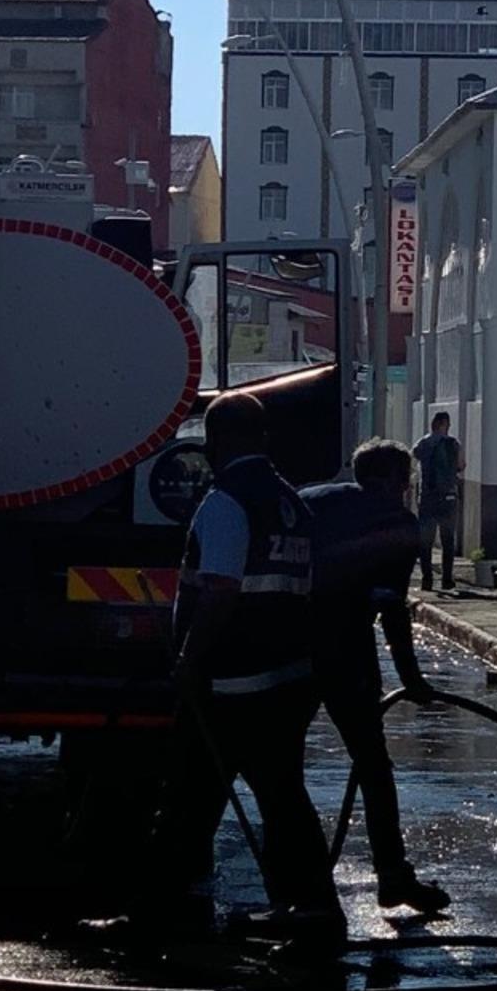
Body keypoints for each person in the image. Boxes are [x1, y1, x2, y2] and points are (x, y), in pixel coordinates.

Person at [151, 390, 345, 939]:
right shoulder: (289, 500)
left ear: (214, 443)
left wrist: (190, 658)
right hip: (284, 676)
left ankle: (157, 910)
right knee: (280, 796)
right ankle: (310, 906)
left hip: (229, 679)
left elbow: (218, 590)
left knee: (188, 796)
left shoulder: (225, 503)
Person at [303, 438, 450, 915]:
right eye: (406, 481)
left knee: (274, 768)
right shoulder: (396, 522)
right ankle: (392, 876)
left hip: (289, 646)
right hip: (345, 651)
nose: (408, 490)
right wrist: (411, 677)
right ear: (392, 481)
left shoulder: (311, 501)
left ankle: (294, 885)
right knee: (373, 767)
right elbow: (391, 608)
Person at [413, 411, 464, 593]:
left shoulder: (422, 443)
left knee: (425, 541)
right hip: (448, 497)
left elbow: (415, 457)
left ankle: (427, 580)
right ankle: (447, 579)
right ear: (445, 424)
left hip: (427, 498)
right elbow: (460, 466)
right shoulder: (453, 443)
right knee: (448, 540)